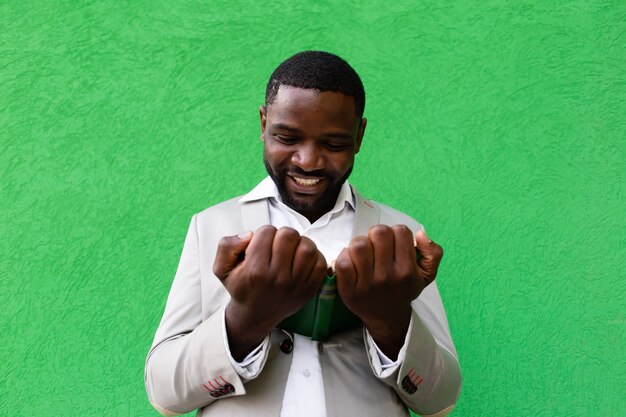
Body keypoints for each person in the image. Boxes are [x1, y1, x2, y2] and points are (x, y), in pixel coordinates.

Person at [145, 51, 461, 417]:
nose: (307, 161)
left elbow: (441, 402)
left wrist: (391, 322)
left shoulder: (398, 235)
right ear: (263, 124)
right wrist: (245, 321)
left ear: (359, 135)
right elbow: (164, 394)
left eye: (334, 144)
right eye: (286, 136)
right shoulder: (211, 226)